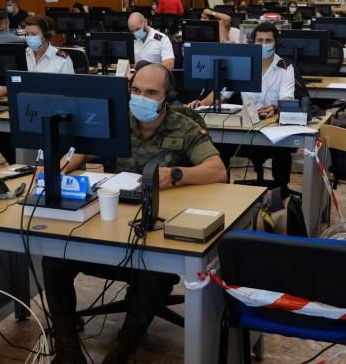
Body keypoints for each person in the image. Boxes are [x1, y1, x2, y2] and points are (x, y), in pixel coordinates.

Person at [43, 62, 226, 363]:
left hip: (156, 230)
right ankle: (66, 345)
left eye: (152, 92)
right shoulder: (116, 120)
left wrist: (176, 174)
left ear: (168, 96)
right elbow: (83, 150)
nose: (141, 98)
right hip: (111, 223)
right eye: (136, 91)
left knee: (154, 273)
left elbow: (217, 170)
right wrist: (56, 170)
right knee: (54, 256)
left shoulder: (185, 125)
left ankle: (123, 348)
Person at [189, 22, 295, 186]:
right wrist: (200, 104)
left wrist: (275, 107)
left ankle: (280, 190)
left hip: (272, 132)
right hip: (245, 129)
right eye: (260, 40)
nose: (264, 45)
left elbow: (287, 99)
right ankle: (222, 188)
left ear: (276, 43)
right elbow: (222, 94)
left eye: (268, 41)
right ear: (253, 42)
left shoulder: (285, 68)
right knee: (219, 145)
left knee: (283, 153)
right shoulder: (243, 65)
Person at [0, 15, 74, 164]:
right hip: (24, 109)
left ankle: (40, 164)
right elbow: (10, 84)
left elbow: (70, 94)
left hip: (51, 112)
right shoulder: (21, 56)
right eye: (27, 34)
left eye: (34, 34)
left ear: (46, 35)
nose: (30, 38)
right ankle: (16, 163)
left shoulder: (61, 59)